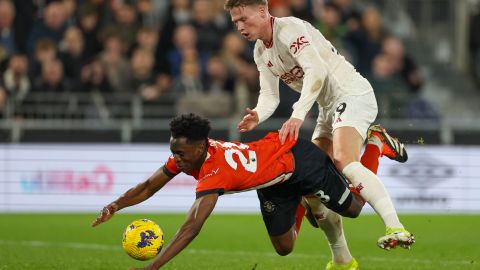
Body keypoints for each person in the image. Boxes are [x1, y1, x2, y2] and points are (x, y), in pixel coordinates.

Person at [92, 114, 414, 270]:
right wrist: (116, 205)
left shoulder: (215, 170)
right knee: (285, 247)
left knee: (355, 207)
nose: (176, 159)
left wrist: (153, 267)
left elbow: (192, 226)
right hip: (272, 181)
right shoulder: (189, 156)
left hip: (298, 161)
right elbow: (150, 185)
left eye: (181, 154)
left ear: (202, 147)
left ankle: (375, 142)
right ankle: (310, 198)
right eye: (173, 152)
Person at [225, 0, 412, 256]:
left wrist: (298, 115)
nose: (239, 26)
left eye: (243, 19)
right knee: (310, 179)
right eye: (235, 22)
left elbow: (318, 72)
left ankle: (395, 226)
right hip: (327, 107)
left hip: (351, 93)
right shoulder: (261, 51)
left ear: (261, 10)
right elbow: (270, 96)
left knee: (344, 160)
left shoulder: (289, 30)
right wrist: (258, 114)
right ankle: (342, 259)